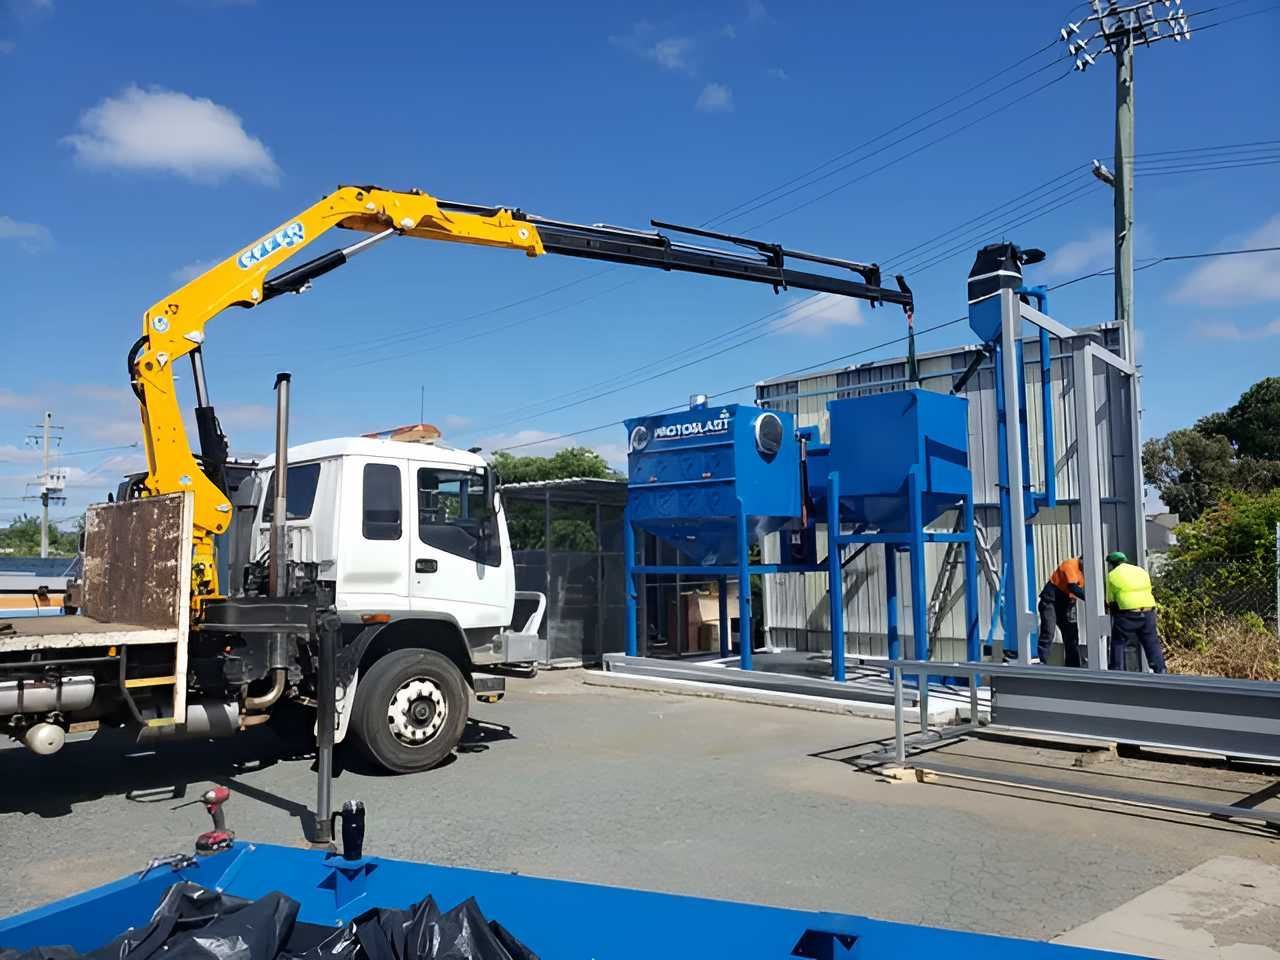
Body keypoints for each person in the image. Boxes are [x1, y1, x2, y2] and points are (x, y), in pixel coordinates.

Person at [1104, 551, 1166, 673]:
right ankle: (1160, 669)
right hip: (1148, 610)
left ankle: (1117, 670)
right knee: (1151, 641)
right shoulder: (1141, 571)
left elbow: (1111, 600)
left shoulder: (1112, 575)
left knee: (1118, 641)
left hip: (1128, 612)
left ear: (1112, 564)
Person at [1037, 555, 1085, 667]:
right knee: (1048, 630)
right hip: (1051, 601)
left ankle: (1073, 666)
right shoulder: (1070, 565)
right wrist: (1091, 598)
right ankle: (1041, 661)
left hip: (1067, 603)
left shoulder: (1086, 573)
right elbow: (1072, 587)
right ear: (1081, 560)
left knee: (1072, 634)